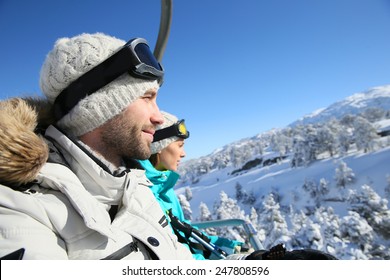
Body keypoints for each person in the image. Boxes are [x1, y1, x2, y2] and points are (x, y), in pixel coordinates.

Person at [0, 32, 194, 260]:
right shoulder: (21, 210)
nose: (159, 117)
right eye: (147, 97)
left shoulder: (134, 185)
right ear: (97, 106)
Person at [138, 111, 244, 259]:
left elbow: (185, 230)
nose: (184, 153)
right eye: (180, 145)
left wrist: (232, 247)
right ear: (160, 146)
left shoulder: (163, 185)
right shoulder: (142, 192)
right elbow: (172, 257)